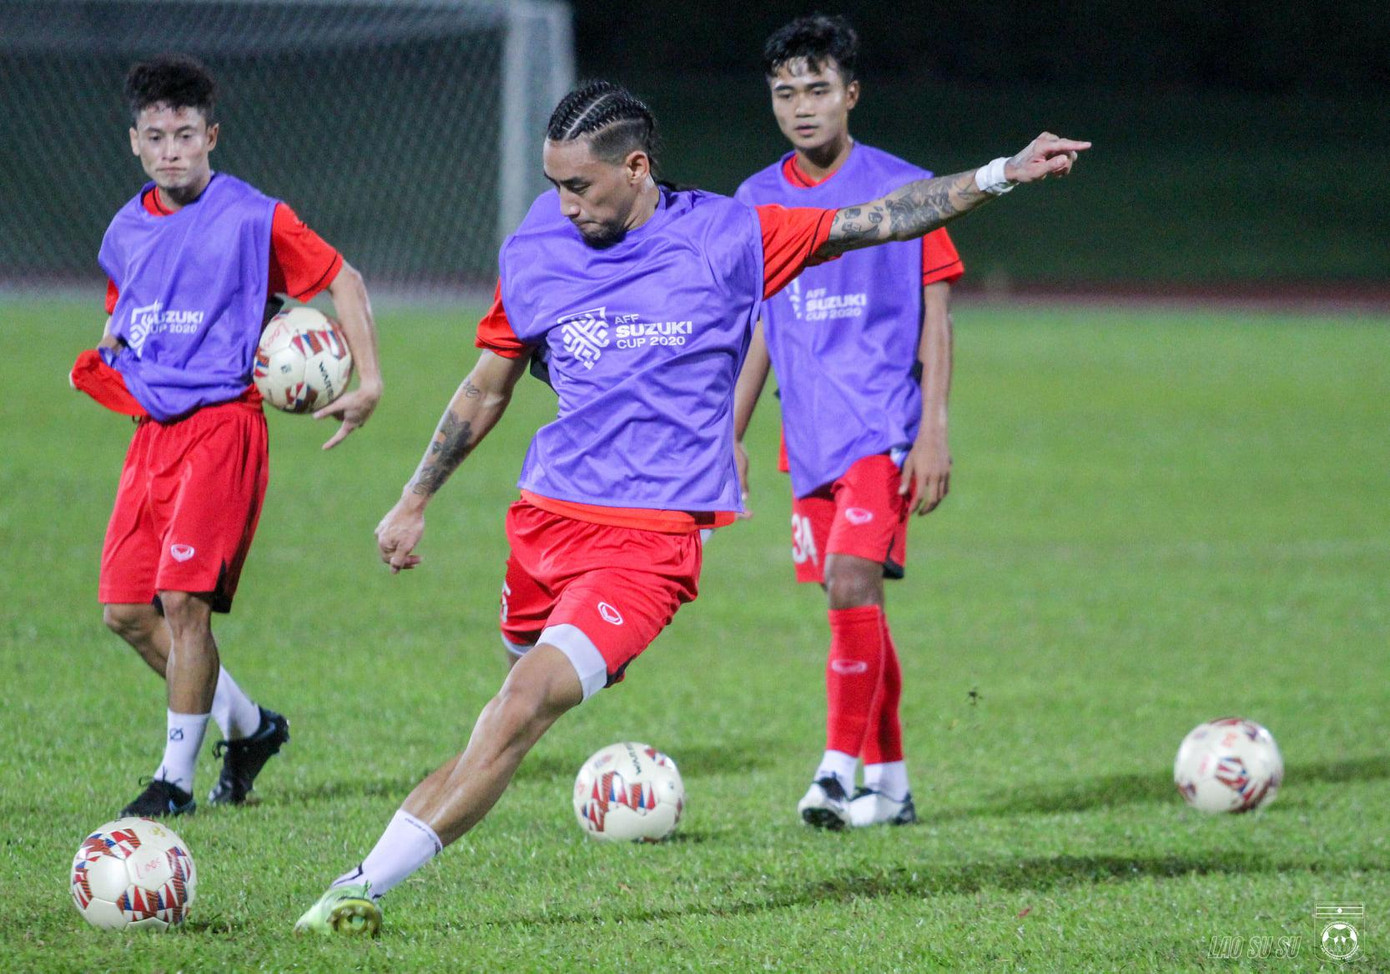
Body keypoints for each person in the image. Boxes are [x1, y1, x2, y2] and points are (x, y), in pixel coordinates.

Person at [294, 79, 1085, 935]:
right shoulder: (536, 246)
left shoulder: (726, 236)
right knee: (505, 710)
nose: (563, 205)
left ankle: (359, 888)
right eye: (553, 184)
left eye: (579, 187)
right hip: (544, 521)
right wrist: (414, 499)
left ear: (636, 168)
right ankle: (386, 859)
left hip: (649, 546)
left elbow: (884, 218)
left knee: (520, 708)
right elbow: (488, 386)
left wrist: (1004, 171)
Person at [71, 56, 383, 817]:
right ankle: (249, 728)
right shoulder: (125, 227)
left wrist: (366, 378)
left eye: (186, 133)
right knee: (127, 613)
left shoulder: (254, 217)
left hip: (223, 426)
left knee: (182, 600)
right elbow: (128, 310)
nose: (172, 148)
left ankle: (172, 784)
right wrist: (114, 351)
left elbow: (342, 279)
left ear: (211, 136)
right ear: (135, 144)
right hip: (153, 432)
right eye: (156, 136)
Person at [732, 14, 964, 830]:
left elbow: (937, 313)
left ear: (851, 94)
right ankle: (892, 790)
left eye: (818, 90)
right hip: (812, 438)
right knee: (855, 606)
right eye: (785, 93)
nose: (802, 107)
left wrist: (933, 428)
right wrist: (731, 434)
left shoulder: (906, 185)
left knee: (850, 581)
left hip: (883, 426)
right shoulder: (755, 201)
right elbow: (760, 322)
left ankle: (835, 771)